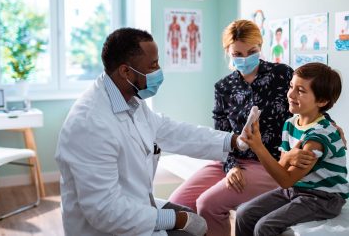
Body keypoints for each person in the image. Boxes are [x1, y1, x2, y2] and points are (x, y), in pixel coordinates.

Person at [55, 27, 238, 236]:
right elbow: (104, 212)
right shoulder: (90, 125)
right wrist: (178, 220)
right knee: (188, 226)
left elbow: (172, 131)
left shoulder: (129, 99)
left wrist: (231, 141)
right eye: (153, 66)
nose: (159, 70)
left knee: (193, 219)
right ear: (125, 71)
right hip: (107, 226)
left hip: (135, 206)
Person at [168, 19, 318, 236]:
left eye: (252, 51)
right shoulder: (223, 87)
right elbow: (220, 133)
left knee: (207, 204)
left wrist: (329, 125)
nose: (246, 58)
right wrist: (231, 166)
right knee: (178, 204)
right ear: (227, 52)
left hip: (269, 161)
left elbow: (307, 104)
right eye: (238, 54)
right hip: (231, 159)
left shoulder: (282, 75)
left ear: (260, 47)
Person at [236, 62, 348, 236]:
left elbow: (285, 179)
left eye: (301, 91)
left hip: (323, 197)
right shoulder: (290, 124)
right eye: (291, 86)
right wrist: (288, 158)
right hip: (296, 190)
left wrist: (258, 147)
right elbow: (282, 167)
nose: (290, 94)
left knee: (265, 227)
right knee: (244, 214)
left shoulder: (318, 137)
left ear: (322, 101)